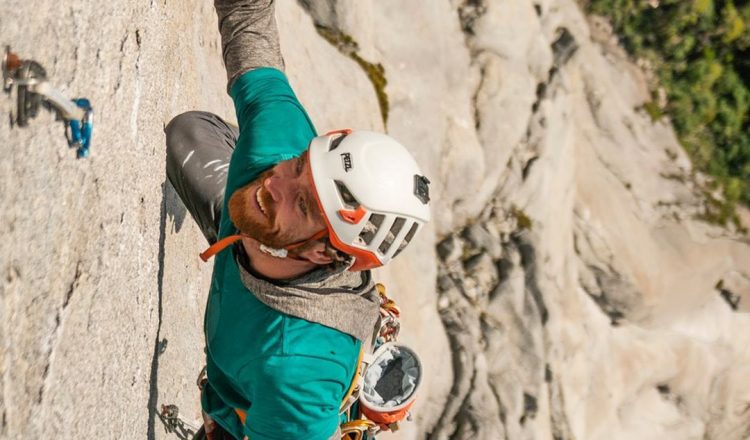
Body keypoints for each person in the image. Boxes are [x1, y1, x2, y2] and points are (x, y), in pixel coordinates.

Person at [165, 1, 430, 439]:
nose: (274, 184)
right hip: (267, 275)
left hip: (263, 397)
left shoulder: (294, 371)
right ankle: (248, 232)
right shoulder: (275, 152)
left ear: (325, 251)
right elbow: (249, 26)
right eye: (299, 165)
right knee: (189, 134)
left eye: (304, 203)